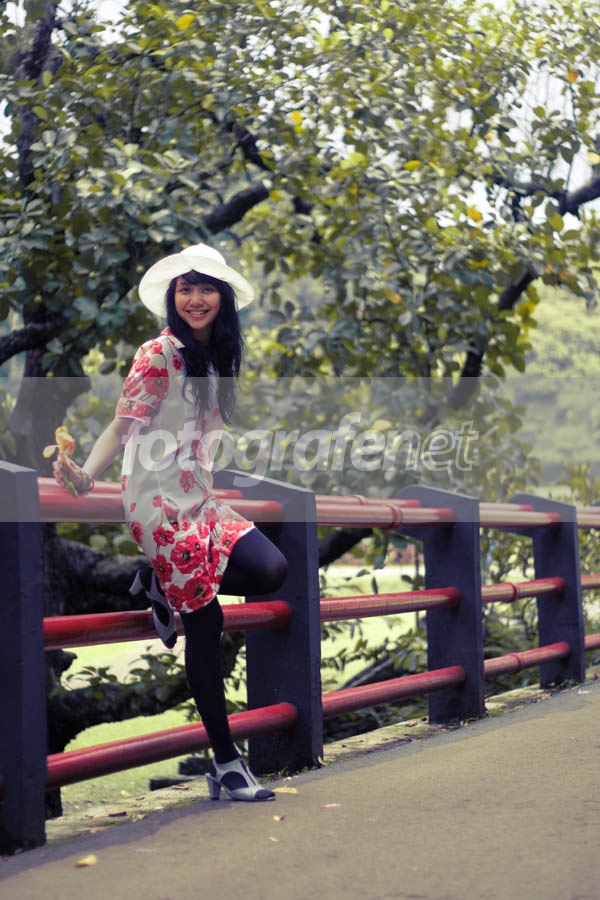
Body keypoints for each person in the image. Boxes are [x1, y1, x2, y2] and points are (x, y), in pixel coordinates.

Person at [53, 243, 288, 802]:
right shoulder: (158, 353)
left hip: (199, 499)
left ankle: (162, 581)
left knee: (271, 569)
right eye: (185, 288)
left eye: (206, 288)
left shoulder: (219, 357)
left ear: (223, 298)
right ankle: (227, 764)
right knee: (206, 622)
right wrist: (84, 476)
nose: (195, 299)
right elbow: (121, 427)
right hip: (158, 505)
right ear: (173, 297)